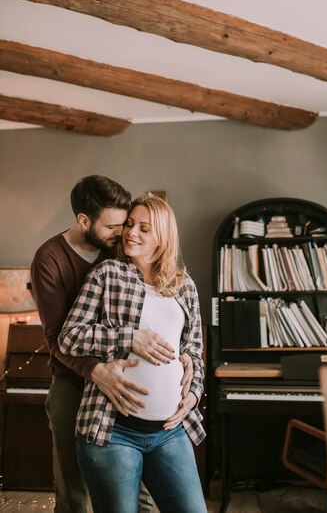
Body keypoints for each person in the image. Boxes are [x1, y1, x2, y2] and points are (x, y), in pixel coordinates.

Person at [31, 176, 192, 513]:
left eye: (130, 225)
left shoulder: (120, 250)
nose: (124, 233)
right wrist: (98, 370)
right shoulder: (52, 259)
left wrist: (189, 366)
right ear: (84, 221)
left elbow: (174, 326)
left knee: (139, 492)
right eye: (117, 225)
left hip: (142, 411)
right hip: (74, 381)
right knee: (75, 491)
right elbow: (60, 336)